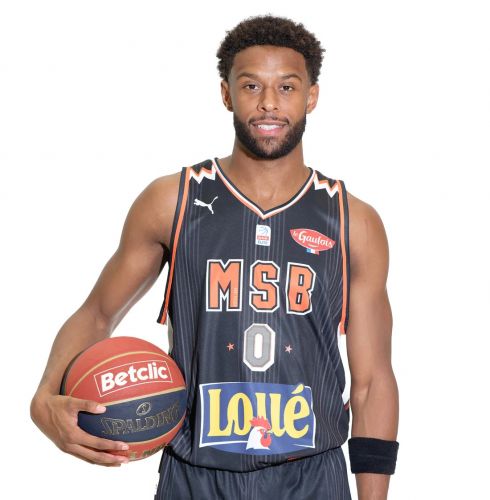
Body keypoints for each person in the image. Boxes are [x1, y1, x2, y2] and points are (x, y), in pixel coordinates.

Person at [31, 14, 399, 500]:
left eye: (287, 87)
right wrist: (44, 399)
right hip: (196, 474)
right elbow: (98, 314)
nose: (269, 103)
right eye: (251, 85)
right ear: (227, 94)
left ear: (311, 96)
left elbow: (372, 381)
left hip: (312, 476)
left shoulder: (353, 222)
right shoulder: (173, 201)